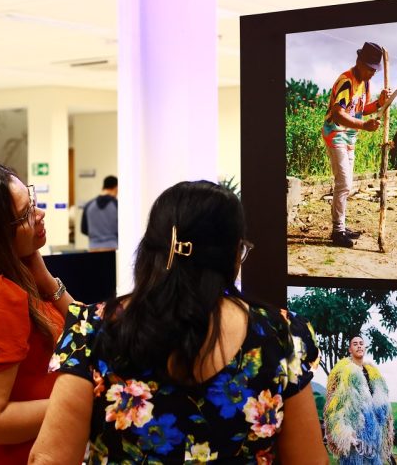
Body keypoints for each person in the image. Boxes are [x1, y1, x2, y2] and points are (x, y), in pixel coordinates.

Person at [29, 180, 329, 464]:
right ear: (234, 256)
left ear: (148, 251)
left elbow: (49, 458)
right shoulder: (283, 336)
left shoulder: (91, 330)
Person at [0, 163, 74, 464]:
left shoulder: (23, 274)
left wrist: (47, 280)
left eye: (33, 202)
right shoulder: (0, 296)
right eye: (26, 214)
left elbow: (86, 332)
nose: (39, 215)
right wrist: (78, 402)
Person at [322, 42, 391, 248]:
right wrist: (364, 125)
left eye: (374, 70)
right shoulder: (346, 81)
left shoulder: (365, 84)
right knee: (344, 183)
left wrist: (378, 103)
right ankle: (337, 231)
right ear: (359, 62)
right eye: (369, 68)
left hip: (350, 137)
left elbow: (361, 109)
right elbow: (338, 113)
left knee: (347, 184)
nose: (372, 73)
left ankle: (341, 225)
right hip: (336, 134)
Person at [323, 335, 394, 465]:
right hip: (355, 440)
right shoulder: (343, 372)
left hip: (374, 440)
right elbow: (334, 408)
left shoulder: (374, 374)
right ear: (350, 349)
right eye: (355, 344)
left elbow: (382, 408)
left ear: (365, 347)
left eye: (361, 343)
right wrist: (345, 434)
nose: (359, 345)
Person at [81, 175, 118, 251]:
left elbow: (83, 229)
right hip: (112, 248)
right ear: (116, 187)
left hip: (93, 248)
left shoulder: (89, 205)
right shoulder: (116, 205)